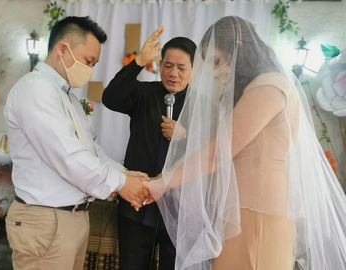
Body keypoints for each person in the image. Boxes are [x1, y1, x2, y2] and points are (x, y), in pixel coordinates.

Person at [147, 16, 346, 270]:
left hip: (258, 212)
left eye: (217, 61)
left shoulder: (268, 88)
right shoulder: (254, 89)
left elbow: (218, 153)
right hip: (239, 210)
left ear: (238, 49)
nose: (215, 71)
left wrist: (163, 183)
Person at [4, 16, 150, 270]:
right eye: (88, 61)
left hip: (71, 217)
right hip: (45, 219)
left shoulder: (65, 95)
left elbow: (91, 150)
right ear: (63, 49)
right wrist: (122, 184)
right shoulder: (35, 90)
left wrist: (123, 173)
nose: (91, 69)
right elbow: (68, 157)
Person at [102, 27, 197, 270]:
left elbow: (214, 155)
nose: (173, 73)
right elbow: (110, 98)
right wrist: (139, 62)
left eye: (181, 67)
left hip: (180, 211)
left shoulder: (203, 105)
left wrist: (185, 137)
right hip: (137, 205)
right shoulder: (145, 93)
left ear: (194, 70)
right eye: (167, 65)